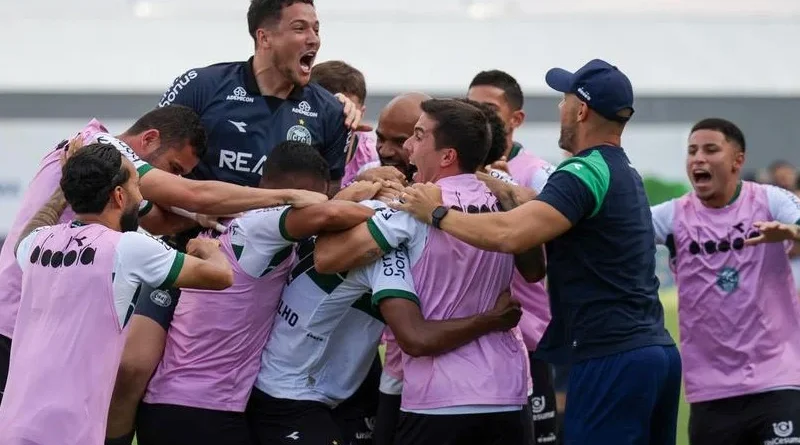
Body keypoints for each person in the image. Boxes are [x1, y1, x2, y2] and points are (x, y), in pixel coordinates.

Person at [390, 60, 681, 445]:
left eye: (564, 100)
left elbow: (511, 232)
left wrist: (437, 213)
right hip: (655, 352)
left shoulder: (583, 171)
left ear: (581, 110)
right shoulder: (620, 170)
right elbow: (534, 202)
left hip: (612, 356)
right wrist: (475, 176)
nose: (560, 108)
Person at [0, 106, 324, 410]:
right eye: (174, 169)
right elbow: (193, 196)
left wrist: (199, 216)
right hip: (18, 317)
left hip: (41, 324)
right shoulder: (101, 148)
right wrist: (285, 196)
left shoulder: (111, 179)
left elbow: (158, 220)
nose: (172, 180)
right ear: (149, 139)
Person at [313, 99, 544, 445]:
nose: (408, 146)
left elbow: (327, 259)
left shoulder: (413, 208)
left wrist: (355, 196)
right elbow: (535, 270)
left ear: (447, 155)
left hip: (440, 399)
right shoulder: (504, 203)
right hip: (508, 393)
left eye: (418, 136)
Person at [135, 141, 376, 445]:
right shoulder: (262, 226)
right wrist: (388, 206)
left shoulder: (235, 219)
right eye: (309, 203)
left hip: (169, 404)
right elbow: (330, 215)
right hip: (205, 411)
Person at [0, 143, 234, 445]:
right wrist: (208, 248)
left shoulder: (37, 244)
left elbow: (28, 233)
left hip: (13, 424)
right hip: (69, 430)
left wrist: (61, 193)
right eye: (137, 185)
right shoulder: (128, 248)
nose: (141, 197)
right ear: (119, 195)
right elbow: (221, 276)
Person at [651, 118, 800, 445]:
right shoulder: (672, 216)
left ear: (737, 160)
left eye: (710, 150)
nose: (698, 158)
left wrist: (792, 232)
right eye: (692, 151)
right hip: (711, 390)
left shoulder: (769, 201)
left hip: (777, 380)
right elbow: (617, 235)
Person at [157, 0, 363, 195]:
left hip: (283, 223)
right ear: (264, 38)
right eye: (300, 28)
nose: (314, 39)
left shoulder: (331, 112)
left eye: (316, 30)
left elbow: (327, 197)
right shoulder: (201, 86)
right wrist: (192, 211)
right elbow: (149, 164)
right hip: (195, 220)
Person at [468, 71, 559, 442]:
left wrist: (508, 191)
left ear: (515, 118)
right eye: (471, 106)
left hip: (530, 337)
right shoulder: (458, 168)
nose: (477, 115)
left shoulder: (537, 174)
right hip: (472, 337)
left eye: (488, 108)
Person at [310, 60, 379, 188]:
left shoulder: (373, 157)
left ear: (361, 113)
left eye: (347, 113)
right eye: (330, 112)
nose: (335, 122)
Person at [356, 93, 432, 185]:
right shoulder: (366, 175)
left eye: (400, 142)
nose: (384, 152)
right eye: (381, 139)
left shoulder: (445, 190)